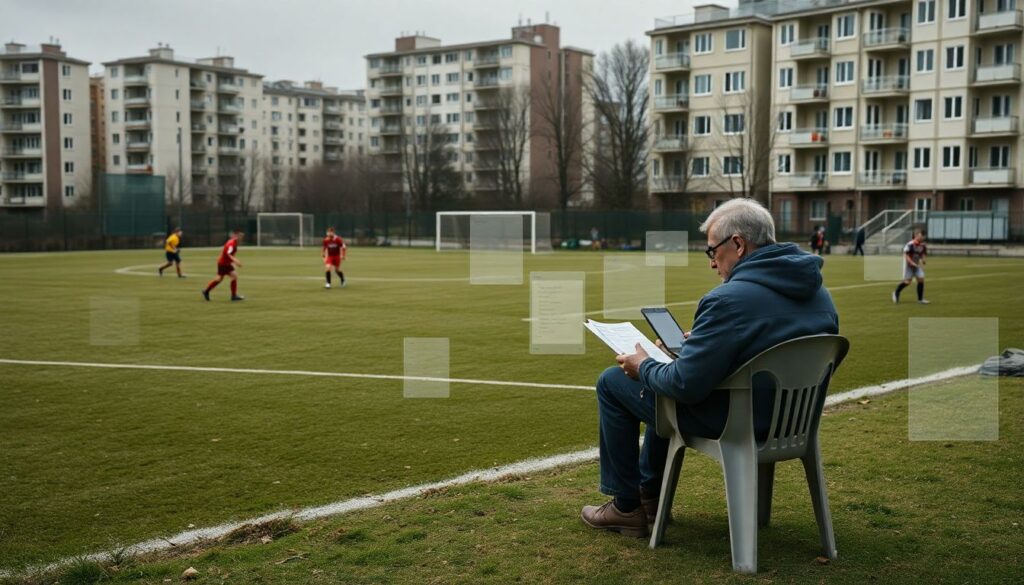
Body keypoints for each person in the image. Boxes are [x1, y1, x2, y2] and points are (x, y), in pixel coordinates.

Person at [580, 198, 839, 538]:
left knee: (615, 381)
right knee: (666, 375)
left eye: (712, 251)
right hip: (792, 423)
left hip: (736, 422)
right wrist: (701, 345)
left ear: (738, 244)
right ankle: (649, 497)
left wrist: (643, 366)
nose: (712, 264)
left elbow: (685, 385)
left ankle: (627, 507)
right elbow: (765, 345)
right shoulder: (822, 295)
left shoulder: (726, 300)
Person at [202, 229, 245, 302]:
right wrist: (235, 261)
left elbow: (230, 254)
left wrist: (232, 262)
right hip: (223, 264)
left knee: (227, 277)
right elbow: (228, 253)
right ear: (237, 236)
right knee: (222, 278)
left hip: (225, 263)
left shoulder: (234, 242)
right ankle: (207, 291)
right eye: (240, 236)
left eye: (242, 237)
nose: (241, 238)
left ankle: (207, 291)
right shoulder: (231, 243)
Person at [893, 230, 928, 304]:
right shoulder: (910, 244)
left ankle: (920, 299)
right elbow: (906, 255)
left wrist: (923, 260)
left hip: (916, 265)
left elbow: (922, 254)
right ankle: (896, 292)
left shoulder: (923, 245)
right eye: (920, 235)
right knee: (907, 282)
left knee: (921, 279)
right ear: (916, 235)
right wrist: (911, 263)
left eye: (922, 236)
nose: (922, 237)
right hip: (908, 265)